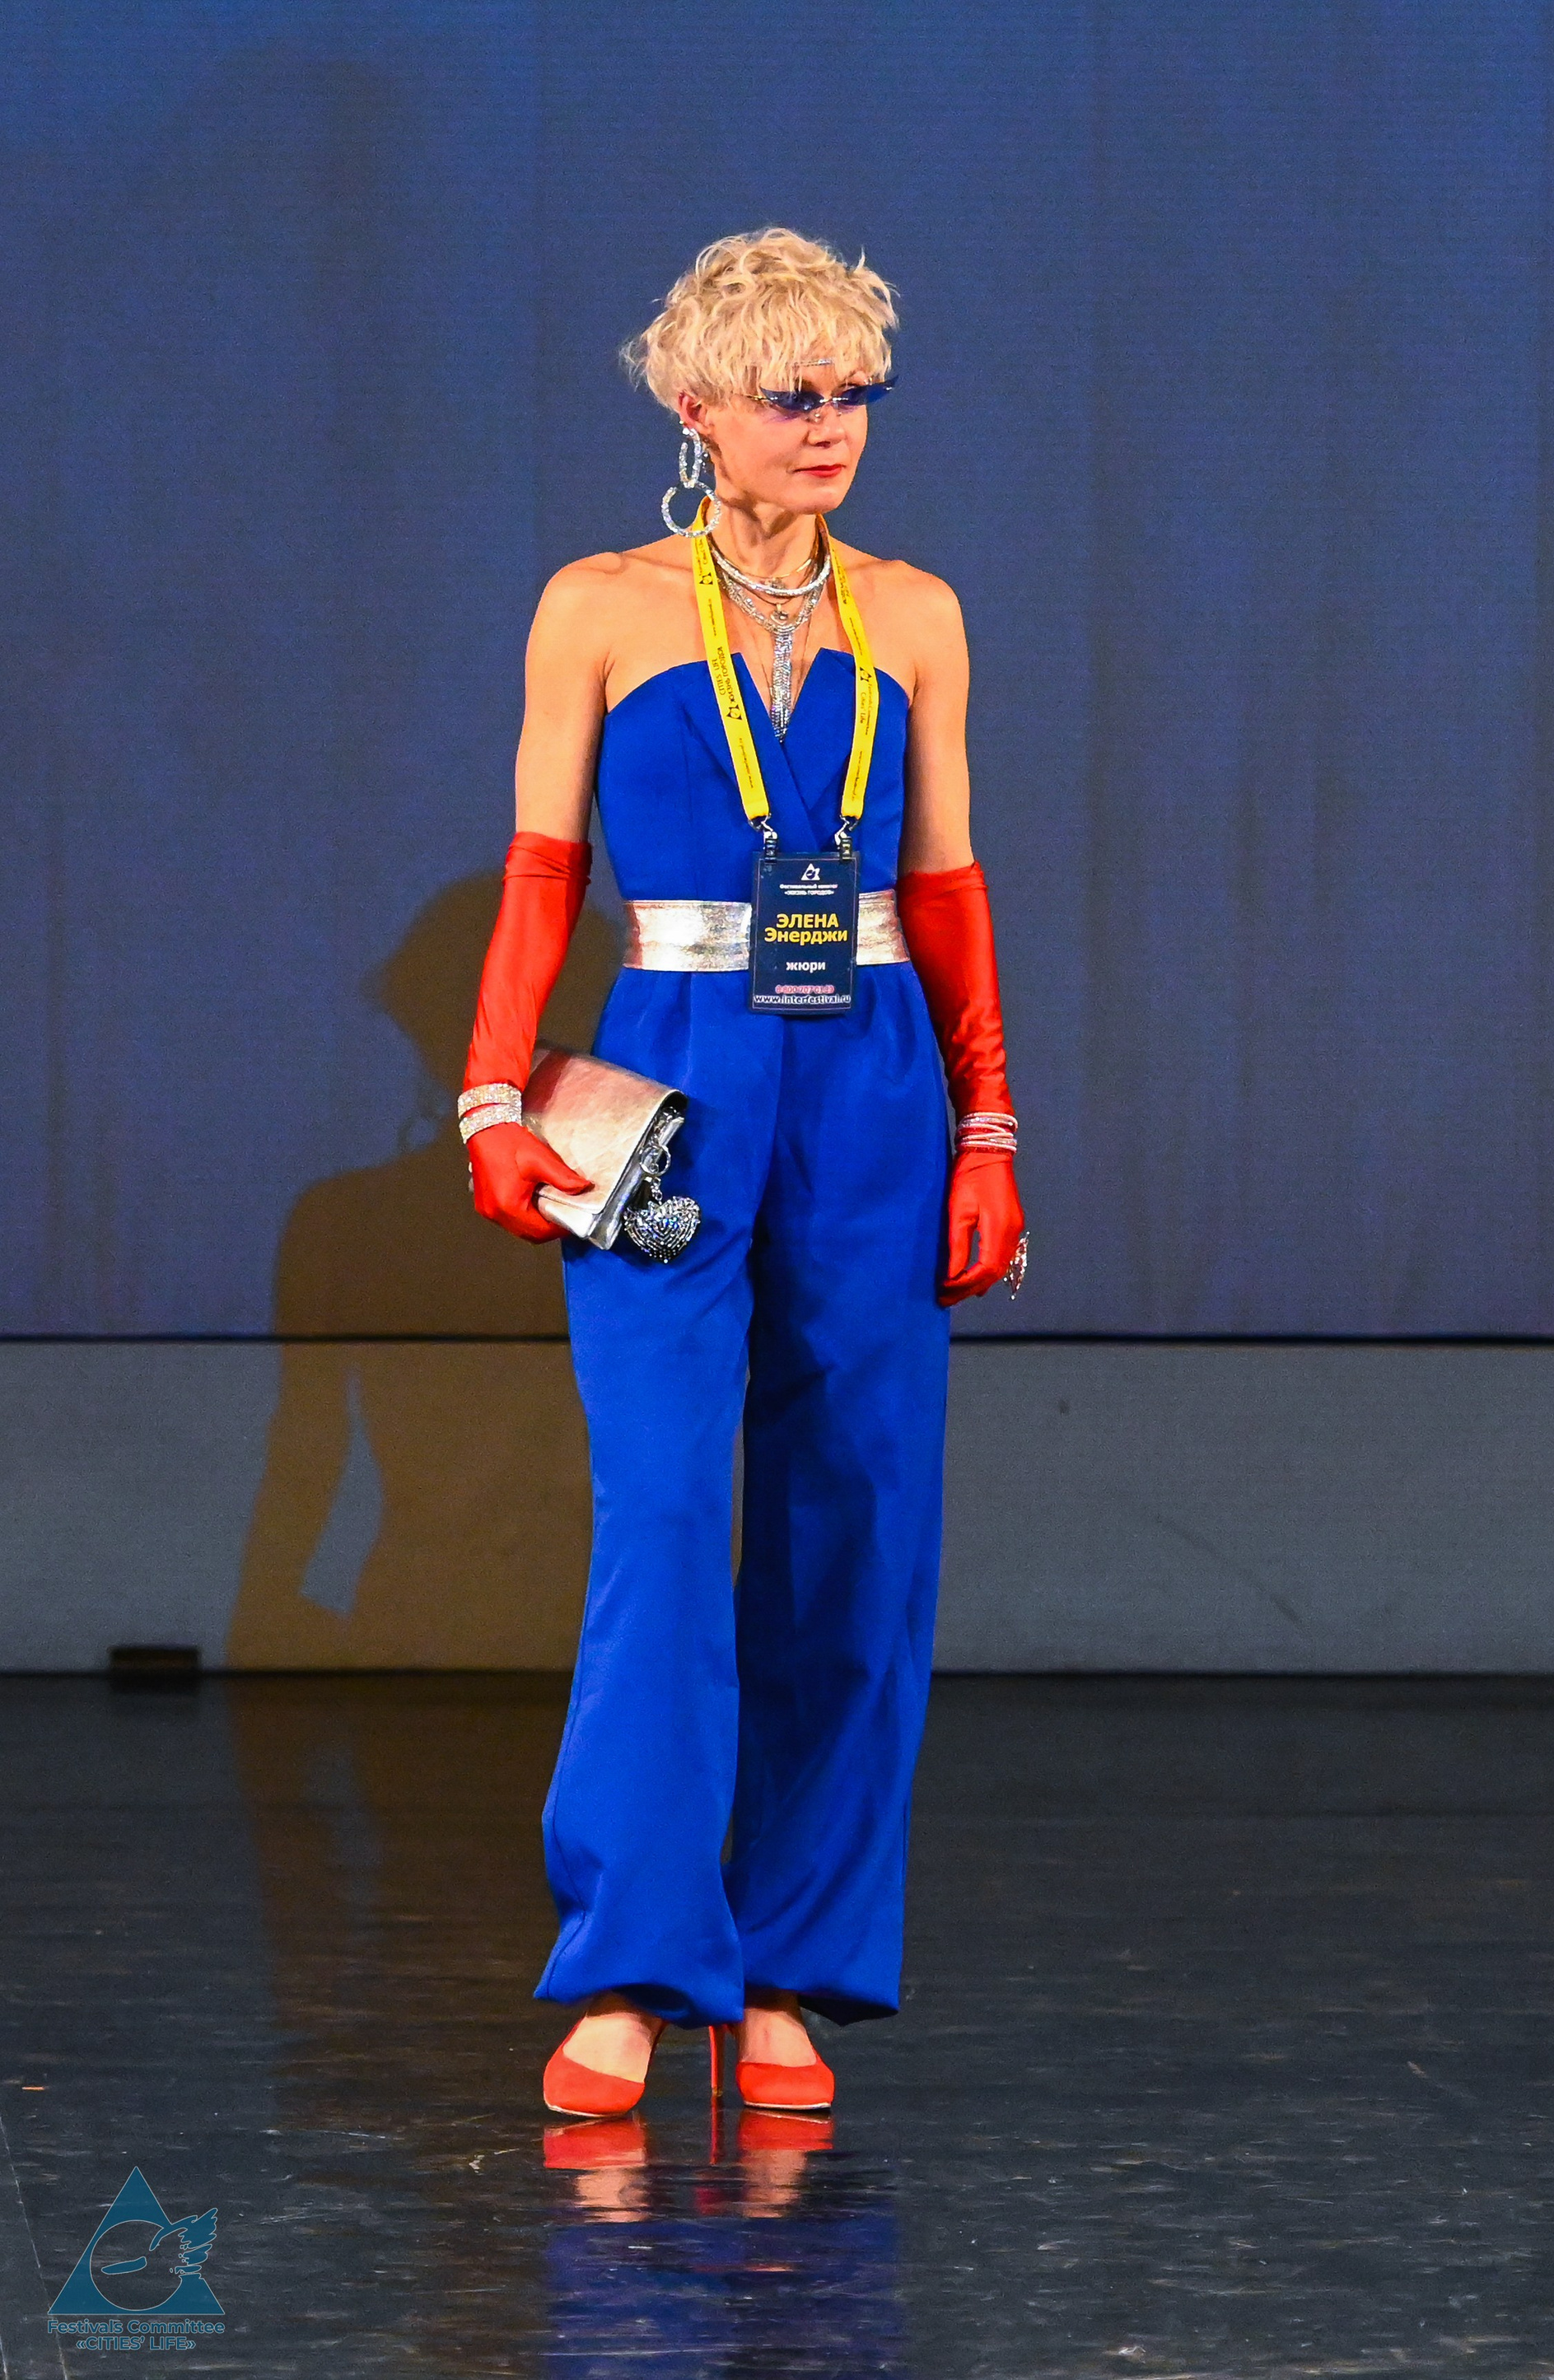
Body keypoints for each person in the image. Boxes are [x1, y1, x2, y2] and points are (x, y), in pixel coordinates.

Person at [459, 228, 1025, 2116]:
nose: (832, 423)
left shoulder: (917, 611)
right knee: (660, 1512)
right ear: (696, 403)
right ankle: (633, 1957)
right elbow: (543, 871)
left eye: (856, 390)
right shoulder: (600, 605)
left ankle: (793, 1966)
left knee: (859, 1514)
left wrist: (991, 1123)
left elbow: (947, 886)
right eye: (794, 393)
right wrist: (488, 1095)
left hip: (871, 1076)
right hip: (675, 1069)